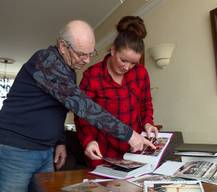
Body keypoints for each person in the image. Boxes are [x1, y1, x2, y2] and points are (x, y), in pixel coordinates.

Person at [0, 20, 155, 192]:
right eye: (81, 54)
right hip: (16, 150)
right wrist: (129, 135)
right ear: (62, 46)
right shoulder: (46, 60)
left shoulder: (69, 72)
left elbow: (56, 110)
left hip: (45, 150)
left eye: (90, 53)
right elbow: (83, 105)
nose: (87, 60)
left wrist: (60, 142)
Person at [74, 16, 158, 168]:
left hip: (135, 150)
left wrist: (147, 122)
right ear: (113, 50)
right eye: (123, 60)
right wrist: (88, 140)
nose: (127, 67)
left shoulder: (141, 73)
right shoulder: (92, 75)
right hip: (102, 150)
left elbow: (146, 102)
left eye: (133, 63)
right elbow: (82, 114)